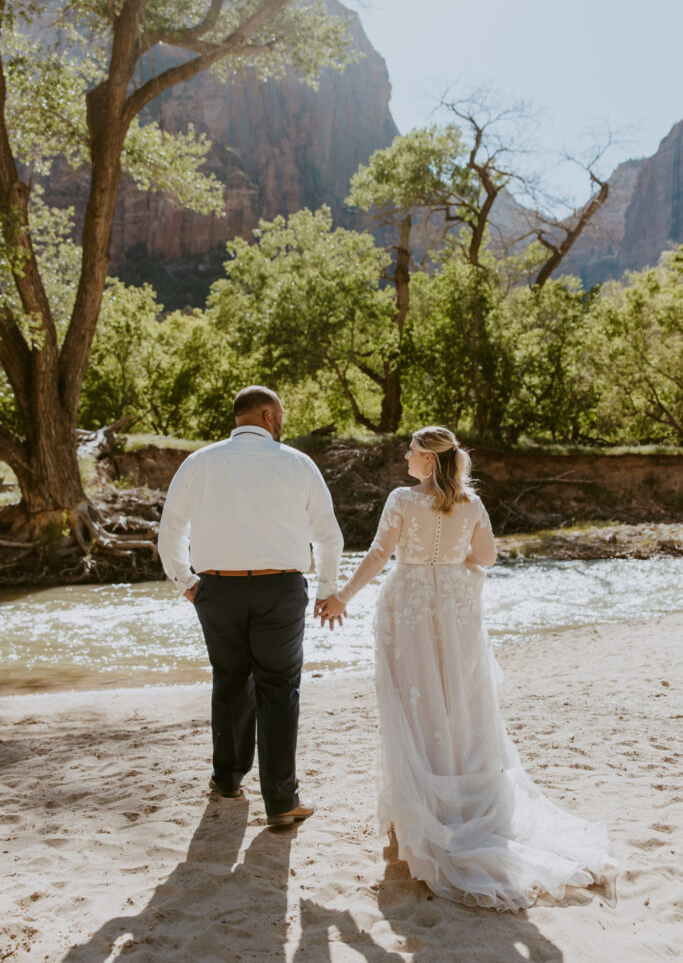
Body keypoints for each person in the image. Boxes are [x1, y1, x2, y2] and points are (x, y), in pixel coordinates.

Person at [319, 426, 616, 910]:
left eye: (412, 451)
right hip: (454, 611)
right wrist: (454, 565)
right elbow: (487, 558)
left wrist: (342, 598)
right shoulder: (472, 504)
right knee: (457, 699)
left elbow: (378, 555)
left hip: (409, 605)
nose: (406, 457)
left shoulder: (401, 499)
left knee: (412, 701)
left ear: (430, 461)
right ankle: (457, 795)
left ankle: (423, 805)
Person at [158, 385, 343, 827]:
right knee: (279, 689)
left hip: (217, 591)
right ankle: (281, 801)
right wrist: (326, 589)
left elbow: (170, 529)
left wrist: (186, 581)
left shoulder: (199, 462)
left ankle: (227, 779)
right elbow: (328, 535)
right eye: (280, 414)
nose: (283, 421)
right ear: (265, 414)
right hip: (280, 591)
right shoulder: (298, 464)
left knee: (229, 681)